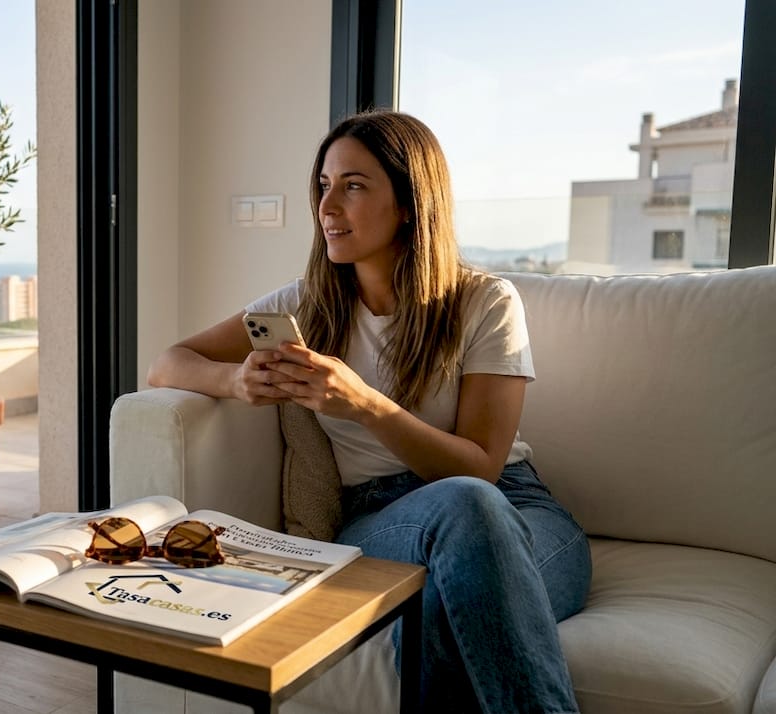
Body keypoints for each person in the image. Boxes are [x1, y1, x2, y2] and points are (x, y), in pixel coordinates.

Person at [147, 110, 592, 714]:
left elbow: (481, 470)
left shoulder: (484, 302)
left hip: (513, 507)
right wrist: (234, 379)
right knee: (461, 533)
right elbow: (168, 363)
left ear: (409, 203)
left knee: (443, 589)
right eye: (323, 185)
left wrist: (364, 405)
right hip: (381, 519)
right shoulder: (305, 304)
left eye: (353, 186)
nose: (327, 206)